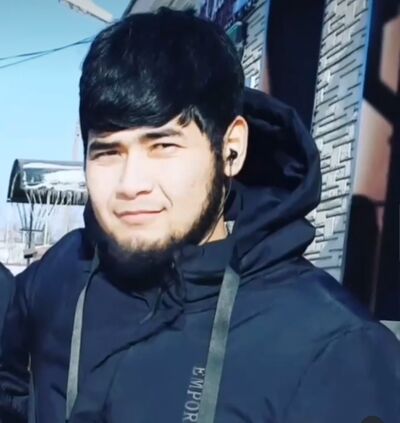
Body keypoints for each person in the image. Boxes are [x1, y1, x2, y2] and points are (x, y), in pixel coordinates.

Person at [1, 8, 399, 423]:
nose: (131, 183)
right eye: (107, 152)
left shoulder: (334, 350)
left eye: (163, 147)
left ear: (231, 148)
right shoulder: (62, 274)